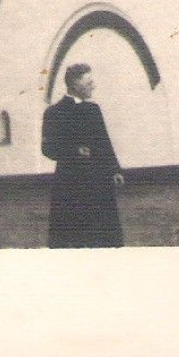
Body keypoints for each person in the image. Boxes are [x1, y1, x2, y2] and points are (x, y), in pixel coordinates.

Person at [41, 62, 126, 248]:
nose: (93, 86)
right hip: (70, 185)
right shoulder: (54, 113)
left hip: (99, 182)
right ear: (74, 84)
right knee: (74, 237)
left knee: (104, 237)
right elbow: (48, 148)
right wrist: (74, 151)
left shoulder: (93, 110)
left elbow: (104, 142)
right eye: (88, 82)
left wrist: (115, 170)